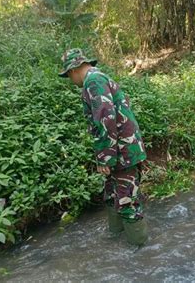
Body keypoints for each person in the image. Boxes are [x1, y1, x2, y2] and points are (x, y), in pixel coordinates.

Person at [59, 48, 148, 245]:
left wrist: (104, 158)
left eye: (68, 76)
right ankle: (116, 241)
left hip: (122, 153)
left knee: (126, 201)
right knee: (112, 196)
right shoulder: (98, 78)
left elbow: (106, 120)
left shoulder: (93, 82)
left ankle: (140, 252)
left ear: (73, 70)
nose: (71, 81)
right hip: (121, 150)